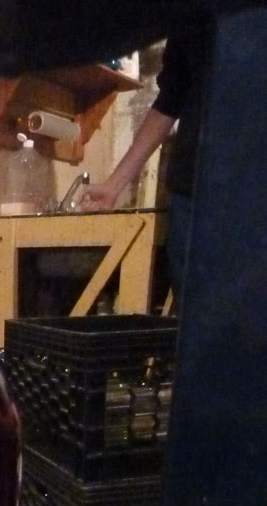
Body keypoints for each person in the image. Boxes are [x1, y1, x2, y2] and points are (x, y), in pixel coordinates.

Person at [79, 17, 211, 299]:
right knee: (197, 312)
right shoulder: (191, 14)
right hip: (193, 192)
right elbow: (171, 98)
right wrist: (114, 185)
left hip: (266, 193)